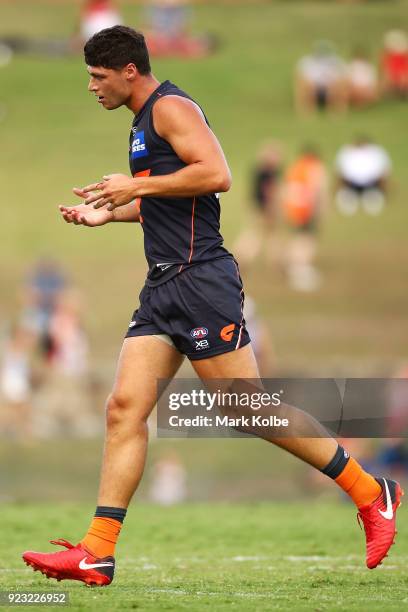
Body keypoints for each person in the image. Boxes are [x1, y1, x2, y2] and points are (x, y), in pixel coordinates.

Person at [22, 25, 402, 587]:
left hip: (203, 281)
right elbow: (176, 199)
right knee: (124, 408)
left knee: (246, 410)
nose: (91, 87)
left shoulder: (170, 107)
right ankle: (97, 552)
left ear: (129, 71)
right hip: (163, 286)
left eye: (97, 77)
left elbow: (216, 175)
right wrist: (113, 212)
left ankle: (373, 494)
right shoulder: (140, 122)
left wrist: (136, 188)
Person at [280, 146, 328, 291]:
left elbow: (286, 189)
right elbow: (318, 189)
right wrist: (320, 210)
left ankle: (292, 264)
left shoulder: (295, 167)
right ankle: (300, 269)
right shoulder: (315, 168)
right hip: (307, 208)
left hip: (293, 208)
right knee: (307, 239)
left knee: (298, 237)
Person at [233, 141, 283, 267]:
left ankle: (276, 260)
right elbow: (269, 192)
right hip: (263, 208)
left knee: (267, 235)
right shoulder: (267, 173)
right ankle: (241, 257)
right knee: (256, 235)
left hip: (257, 206)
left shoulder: (259, 170)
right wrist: (271, 209)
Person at [335, 136, 392, 216]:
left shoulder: (376, 153)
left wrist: (384, 189)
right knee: (347, 206)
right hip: (351, 185)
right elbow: (340, 173)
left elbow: (383, 173)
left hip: (372, 185)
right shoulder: (347, 152)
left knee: (373, 207)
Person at [295, 40, 348, 113]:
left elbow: (343, 75)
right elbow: (302, 78)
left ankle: (335, 112)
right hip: (314, 88)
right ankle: (308, 112)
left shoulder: (335, 62)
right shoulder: (308, 62)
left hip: (331, 88)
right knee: (310, 87)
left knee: (334, 87)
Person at [381, 30, 408, 99]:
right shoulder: (388, 57)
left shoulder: (403, 57)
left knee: (403, 79)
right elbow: (386, 70)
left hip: (401, 76)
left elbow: (404, 70)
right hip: (393, 76)